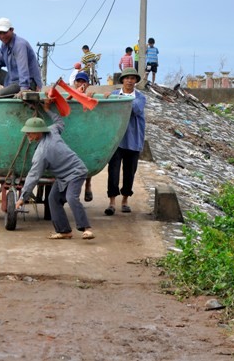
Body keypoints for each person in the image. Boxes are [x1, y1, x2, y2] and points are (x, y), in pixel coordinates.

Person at [15, 100, 95, 240]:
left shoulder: (41, 153)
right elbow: (59, 122)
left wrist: (22, 198)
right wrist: (48, 110)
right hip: (63, 177)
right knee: (53, 199)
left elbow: (33, 177)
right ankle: (64, 231)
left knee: (71, 197)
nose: (28, 135)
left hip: (76, 172)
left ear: (39, 132)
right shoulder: (52, 130)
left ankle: (86, 228)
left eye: (30, 133)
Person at [104, 67, 146, 216]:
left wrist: (115, 100)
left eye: (132, 78)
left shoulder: (140, 98)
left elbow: (134, 109)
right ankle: (112, 202)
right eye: (127, 78)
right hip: (116, 141)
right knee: (113, 172)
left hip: (133, 141)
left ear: (135, 81)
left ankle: (125, 200)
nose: (129, 80)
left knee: (130, 173)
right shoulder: (114, 94)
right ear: (122, 80)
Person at [72, 71, 94, 202]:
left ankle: (88, 185)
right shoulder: (69, 95)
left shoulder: (89, 96)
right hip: (72, 131)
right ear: (74, 83)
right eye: (78, 81)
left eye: (83, 82)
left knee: (86, 161)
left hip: (85, 132)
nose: (81, 84)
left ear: (87, 84)